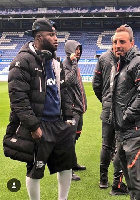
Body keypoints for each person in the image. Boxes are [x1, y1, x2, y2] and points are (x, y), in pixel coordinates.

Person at [3, 18, 76, 200]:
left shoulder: (55, 61)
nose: (56, 38)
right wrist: (34, 126)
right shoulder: (22, 61)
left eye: (56, 34)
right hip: (40, 126)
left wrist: (68, 116)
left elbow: (63, 90)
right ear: (38, 37)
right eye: (51, 35)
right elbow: (18, 98)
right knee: (35, 169)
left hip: (59, 124)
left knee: (66, 166)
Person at [110, 24, 140, 200]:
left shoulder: (139, 62)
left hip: (137, 130)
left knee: (136, 179)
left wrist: (126, 117)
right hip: (123, 131)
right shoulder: (121, 64)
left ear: (131, 42)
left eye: (122, 41)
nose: (117, 45)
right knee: (129, 179)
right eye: (115, 42)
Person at [93, 45, 128, 195]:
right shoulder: (128, 57)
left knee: (106, 145)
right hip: (122, 108)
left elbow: (96, 85)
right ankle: (117, 182)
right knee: (119, 145)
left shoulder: (103, 58)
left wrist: (106, 100)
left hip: (108, 106)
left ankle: (103, 180)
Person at [62, 40, 87, 181]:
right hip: (71, 109)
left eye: (80, 49)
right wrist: (74, 63)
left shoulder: (72, 64)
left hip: (78, 109)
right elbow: (68, 81)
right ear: (70, 49)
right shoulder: (66, 64)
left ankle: (73, 163)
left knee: (75, 137)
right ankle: (67, 171)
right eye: (76, 49)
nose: (78, 52)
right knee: (69, 140)